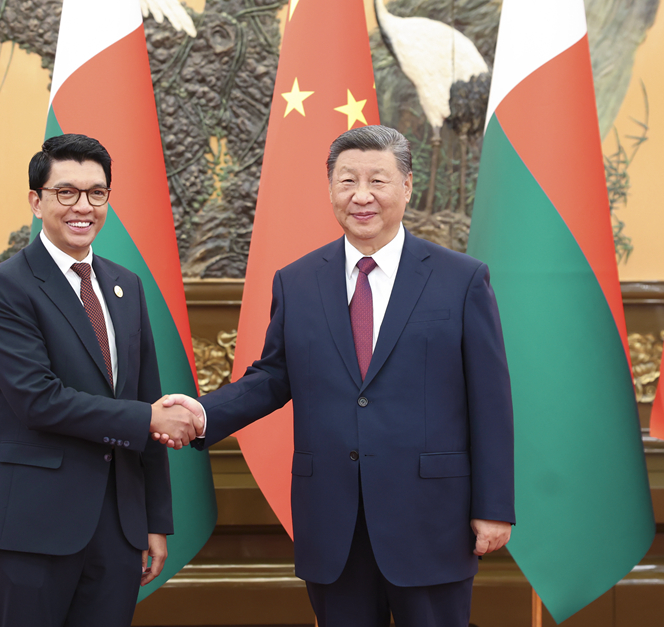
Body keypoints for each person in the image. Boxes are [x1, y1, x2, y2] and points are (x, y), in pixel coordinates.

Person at [161, 125, 515, 627]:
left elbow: (491, 401)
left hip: (432, 519)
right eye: (347, 181)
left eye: (378, 180)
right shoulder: (298, 281)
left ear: (407, 186)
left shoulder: (461, 279)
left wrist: (494, 505)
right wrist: (202, 413)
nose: (362, 196)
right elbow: (273, 377)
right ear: (330, 188)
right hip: (334, 522)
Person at [0, 133, 202, 627]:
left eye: (97, 193)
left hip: (117, 526)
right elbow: (39, 400)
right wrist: (148, 418)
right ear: (36, 201)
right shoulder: (6, 287)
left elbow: (143, 396)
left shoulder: (125, 285)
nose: (83, 207)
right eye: (66, 192)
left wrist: (153, 520)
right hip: (32, 523)